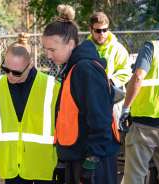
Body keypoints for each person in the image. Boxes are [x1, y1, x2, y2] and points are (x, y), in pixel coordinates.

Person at [42, 5, 120, 184]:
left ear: (70, 44)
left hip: (93, 161)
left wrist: (91, 161)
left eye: (52, 50)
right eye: (45, 49)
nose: (48, 55)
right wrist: (63, 161)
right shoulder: (73, 68)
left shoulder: (85, 69)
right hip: (79, 157)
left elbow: (100, 117)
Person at [0, 33, 60, 184]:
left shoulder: (51, 86)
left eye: (16, 72)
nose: (10, 76)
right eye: (6, 69)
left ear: (30, 65)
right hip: (11, 168)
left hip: (43, 168)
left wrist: (62, 161)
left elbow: (61, 125)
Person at [120, 17, 159, 184]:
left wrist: (126, 108)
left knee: (135, 177)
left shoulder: (152, 47)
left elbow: (138, 77)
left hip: (144, 125)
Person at [88, 12, 132, 122]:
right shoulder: (85, 48)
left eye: (105, 30)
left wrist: (111, 81)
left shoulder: (118, 49)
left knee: (117, 135)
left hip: (114, 100)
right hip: (92, 100)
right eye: (98, 30)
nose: (102, 34)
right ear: (91, 30)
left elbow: (126, 71)